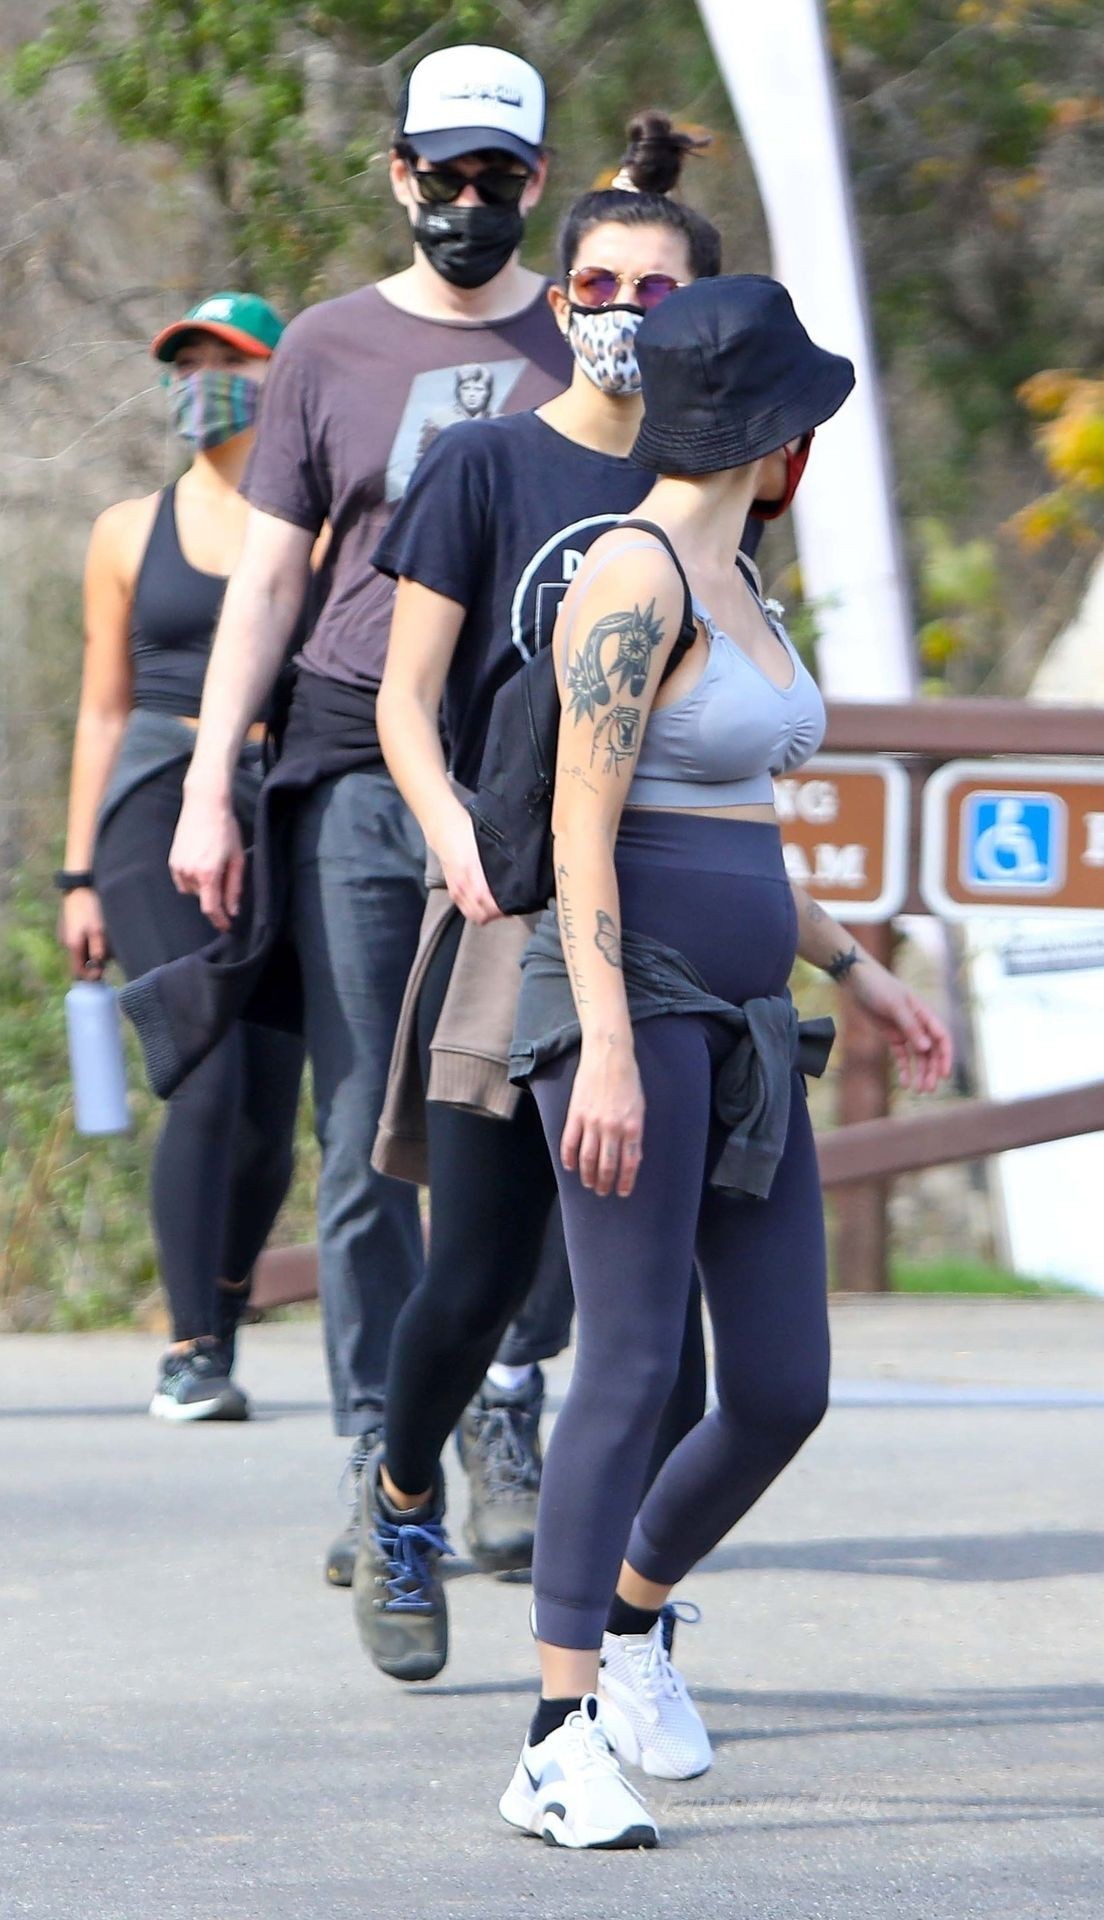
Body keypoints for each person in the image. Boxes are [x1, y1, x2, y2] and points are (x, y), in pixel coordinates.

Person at [497, 275, 954, 1850]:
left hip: (749, 1018)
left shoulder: (740, 578)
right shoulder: (631, 578)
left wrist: (858, 967)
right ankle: (553, 1736)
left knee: (779, 1385)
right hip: (631, 1007)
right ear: (768, 431)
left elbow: (738, 827)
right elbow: (581, 826)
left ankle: (633, 1626)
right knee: (630, 1360)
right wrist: (609, 1049)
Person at [153, 46, 573, 1582]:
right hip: (349, 755)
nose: (467, 201)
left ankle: (504, 1408)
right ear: (398, 174)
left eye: (496, 177)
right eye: (442, 174)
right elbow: (271, 577)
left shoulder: (582, 335)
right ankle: (379, 1451)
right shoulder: (328, 346)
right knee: (361, 1129)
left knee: (523, 1102)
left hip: (529, 764)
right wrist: (211, 782)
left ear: (536, 181)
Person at [353, 114, 723, 1683]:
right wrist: (447, 828)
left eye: (658, 289)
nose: (625, 310)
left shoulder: (714, 481)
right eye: (600, 284)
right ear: (561, 298)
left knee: (654, 1327)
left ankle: (620, 1627)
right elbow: (404, 694)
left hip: (659, 924)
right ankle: (400, 1497)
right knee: (480, 1275)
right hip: (511, 904)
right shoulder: (486, 462)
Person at [57, 293, 303, 1422]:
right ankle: (191, 1348)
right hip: (153, 797)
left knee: (267, 1112)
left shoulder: (317, 523)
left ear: (280, 378)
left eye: (228, 361)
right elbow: (102, 709)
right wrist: (76, 877)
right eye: (186, 361)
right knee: (202, 1069)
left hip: (278, 798)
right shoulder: (126, 529)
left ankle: (225, 1296)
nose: (202, 380)